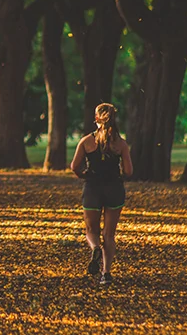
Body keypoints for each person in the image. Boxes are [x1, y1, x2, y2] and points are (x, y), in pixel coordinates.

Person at [70, 103, 133, 285]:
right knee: (109, 234)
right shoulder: (121, 144)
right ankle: (106, 273)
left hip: (92, 188)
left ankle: (95, 248)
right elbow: (128, 171)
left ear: (96, 118)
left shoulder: (86, 141)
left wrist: (84, 175)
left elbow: (74, 166)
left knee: (91, 230)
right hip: (114, 188)